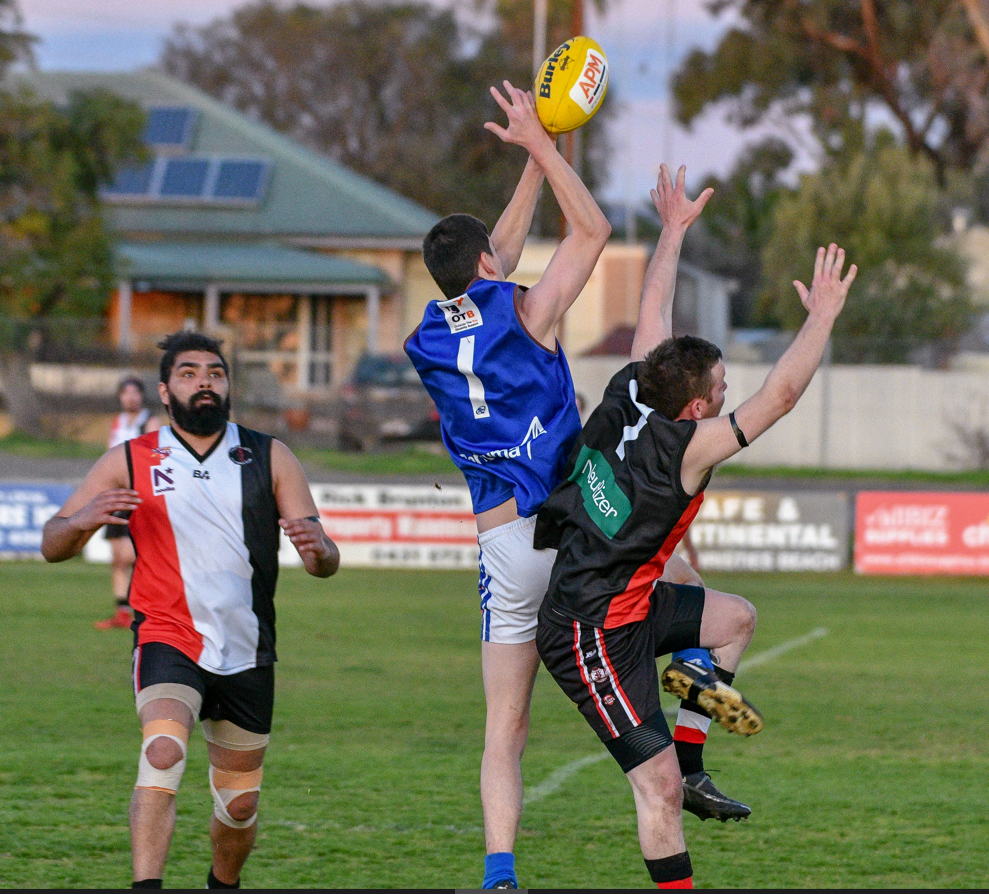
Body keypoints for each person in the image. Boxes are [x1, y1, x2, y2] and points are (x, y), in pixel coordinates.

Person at [534, 243, 857, 887]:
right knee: (657, 794)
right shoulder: (689, 450)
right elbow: (782, 394)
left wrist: (673, 229)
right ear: (699, 408)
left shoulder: (632, 388)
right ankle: (678, 777)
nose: (727, 391)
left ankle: (693, 762)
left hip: (631, 606)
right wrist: (821, 316)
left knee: (735, 619)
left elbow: (653, 308)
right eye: (720, 387)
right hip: (588, 634)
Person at [404, 80, 611, 889]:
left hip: (499, 544)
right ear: (490, 264)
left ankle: (498, 872)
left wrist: (528, 157)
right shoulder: (527, 314)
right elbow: (589, 231)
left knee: (505, 728)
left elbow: (489, 266)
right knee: (666, 564)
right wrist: (544, 149)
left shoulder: (427, 333)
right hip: (565, 522)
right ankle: (694, 679)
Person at [42, 331, 340, 889]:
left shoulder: (271, 455)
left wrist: (320, 551)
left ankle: (221, 885)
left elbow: (325, 558)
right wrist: (82, 522)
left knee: (239, 808)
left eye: (215, 373)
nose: (204, 380)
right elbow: (52, 541)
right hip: (167, 636)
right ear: (164, 390)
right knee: (161, 751)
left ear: (227, 386)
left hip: (247, 649)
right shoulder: (129, 458)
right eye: (188, 373)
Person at [94, 376, 162, 630]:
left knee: (135, 556)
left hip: (139, 496)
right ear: (121, 396)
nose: (130, 397)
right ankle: (122, 612)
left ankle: (146, 609)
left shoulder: (149, 421)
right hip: (117, 494)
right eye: (126, 393)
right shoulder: (117, 423)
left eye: (135, 392)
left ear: (142, 396)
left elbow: (155, 455)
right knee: (118, 558)